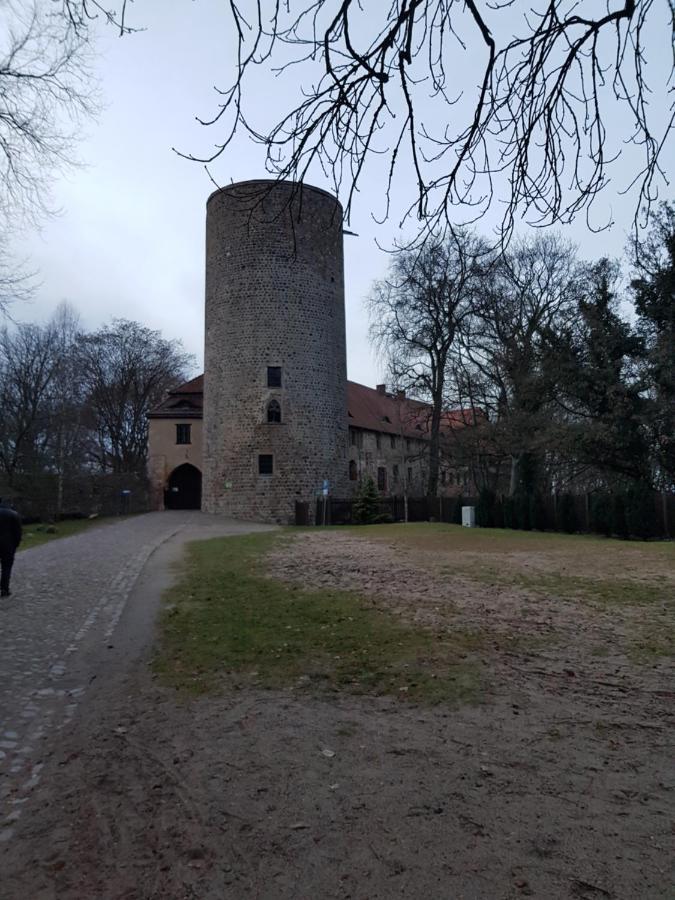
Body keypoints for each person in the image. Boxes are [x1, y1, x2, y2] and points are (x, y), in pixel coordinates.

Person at [0, 498, 22, 598]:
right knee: (6, 567)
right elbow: (18, 532)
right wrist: (16, 544)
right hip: (8, 545)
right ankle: (4, 589)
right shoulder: (13, 514)